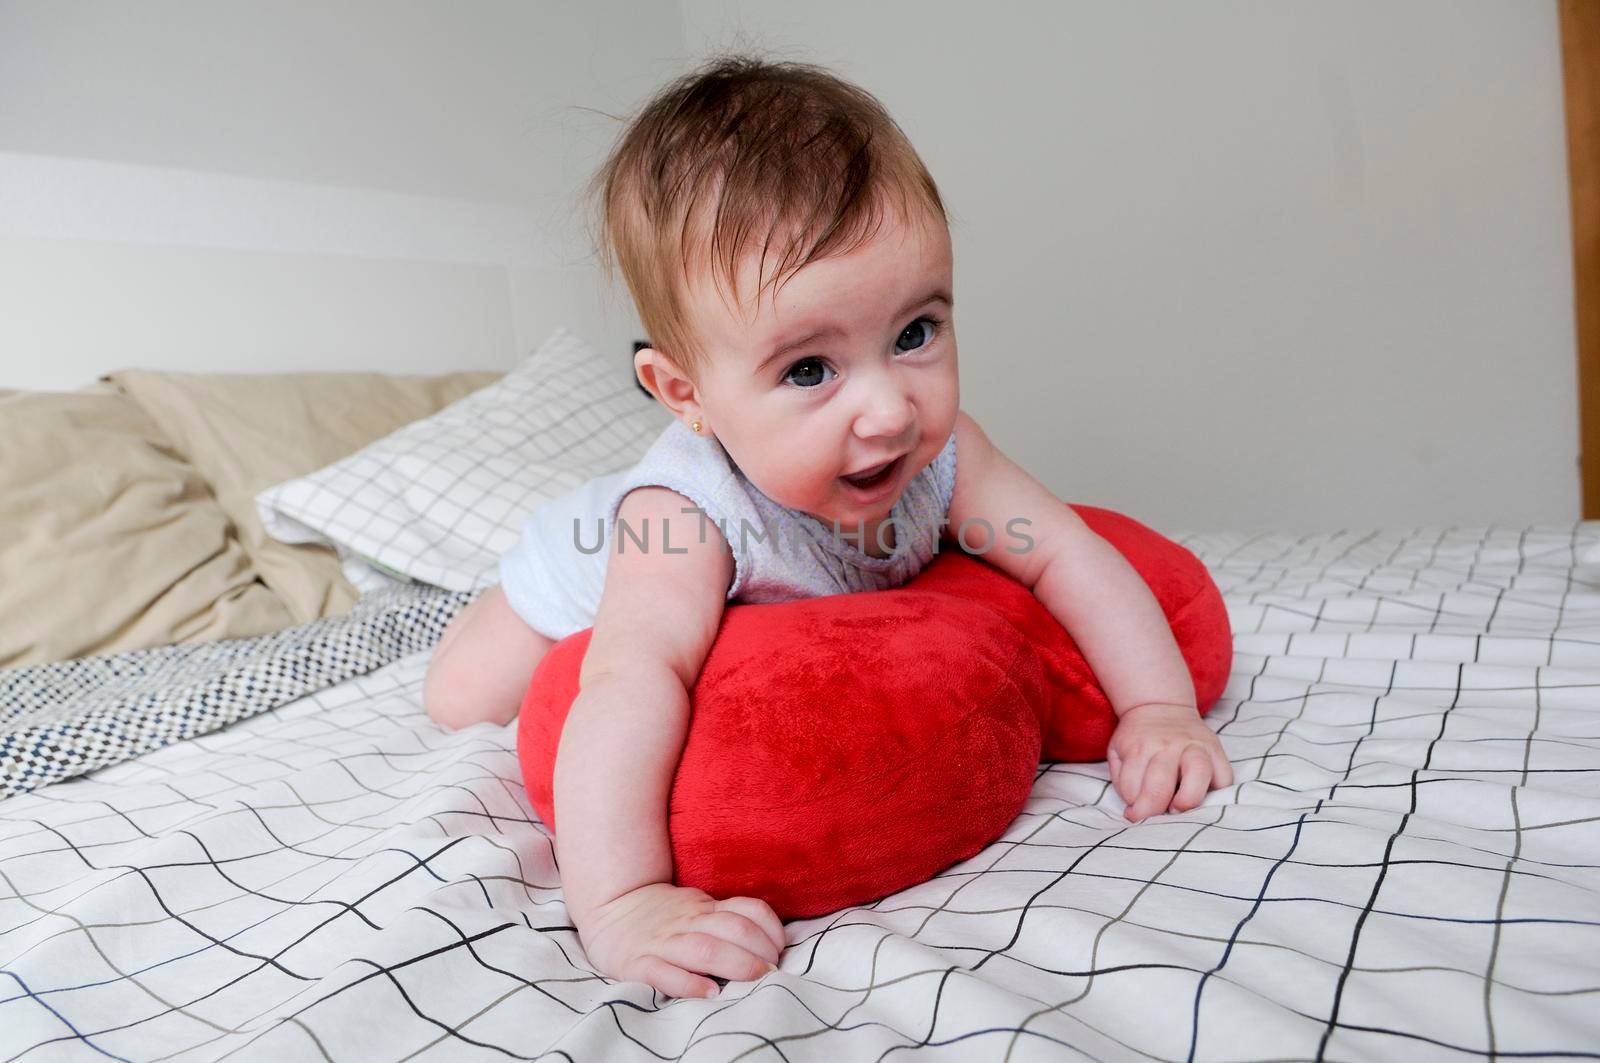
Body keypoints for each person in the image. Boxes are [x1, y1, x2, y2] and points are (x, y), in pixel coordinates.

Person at [423, 54, 1233, 1000]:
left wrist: (1159, 708)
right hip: (584, 562)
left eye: (915, 333)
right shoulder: (676, 520)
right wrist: (625, 900)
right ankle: (467, 604)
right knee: (461, 695)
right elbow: (629, 676)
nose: (889, 410)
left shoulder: (942, 454)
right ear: (685, 394)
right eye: (810, 370)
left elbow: (1061, 551)